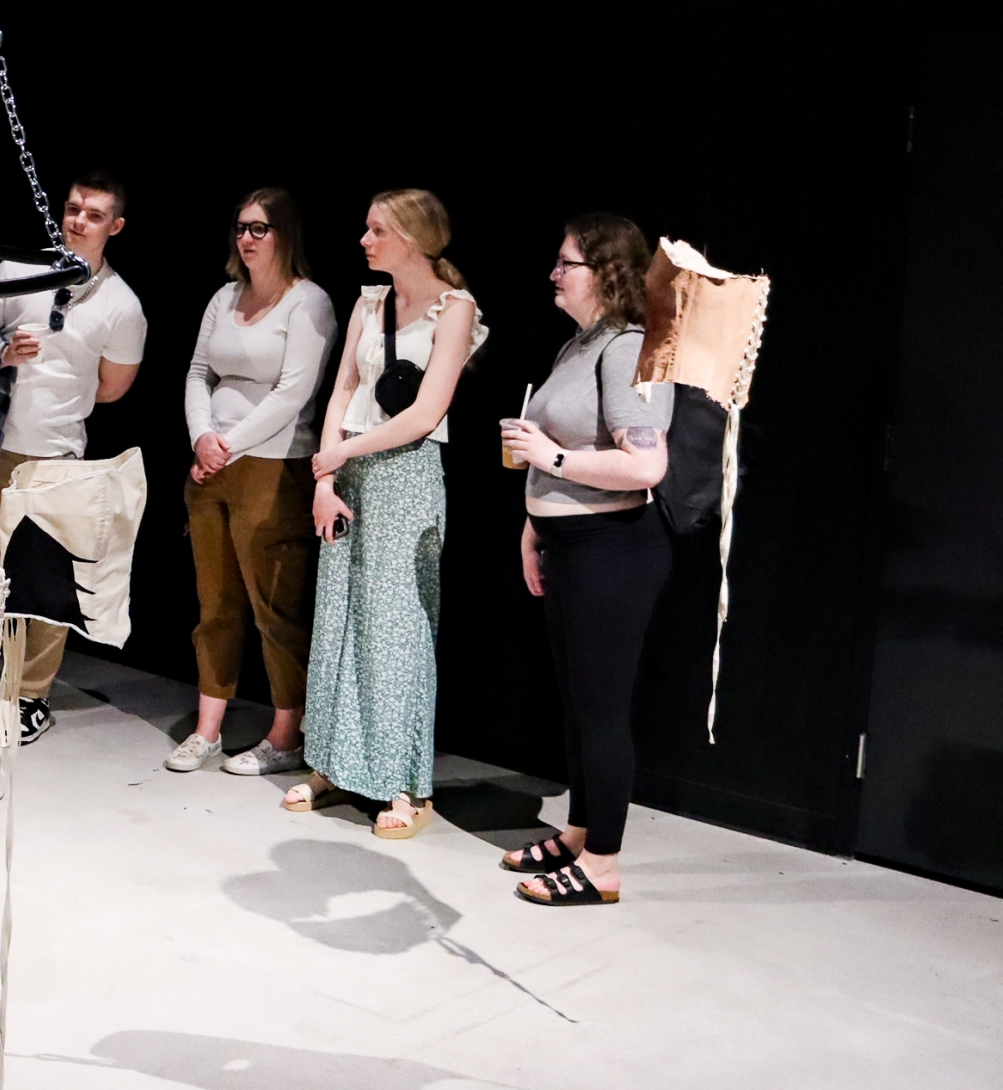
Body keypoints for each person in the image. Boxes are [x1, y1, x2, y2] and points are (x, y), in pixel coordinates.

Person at [286, 190, 485, 836]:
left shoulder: (457, 310)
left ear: (413, 238)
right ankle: (331, 761)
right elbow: (343, 386)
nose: (365, 240)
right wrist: (326, 475)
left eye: (378, 230)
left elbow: (426, 413)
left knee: (397, 628)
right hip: (349, 468)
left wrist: (336, 454)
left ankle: (403, 784)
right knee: (338, 614)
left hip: (406, 472)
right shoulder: (369, 302)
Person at [496, 214, 675, 905]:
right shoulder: (581, 344)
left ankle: (602, 864)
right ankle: (577, 831)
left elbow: (647, 462)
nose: (554, 273)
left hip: (614, 550)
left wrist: (557, 459)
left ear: (602, 272)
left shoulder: (627, 346)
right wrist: (533, 524)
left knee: (602, 709)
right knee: (575, 705)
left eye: (566, 262)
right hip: (570, 543)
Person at [0, 170, 148, 744]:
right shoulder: (19, 269)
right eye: (72, 209)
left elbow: (114, 387)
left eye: (93, 214)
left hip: (58, 455)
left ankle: (30, 696)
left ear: (114, 226)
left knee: (44, 586)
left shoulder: (121, 304)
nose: (77, 221)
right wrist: (2, 351)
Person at [167, 188, 336, 775]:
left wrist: (228, 446)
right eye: (241, 227)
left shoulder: (308, 302)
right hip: (211, 462)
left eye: (260, 229)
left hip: (273, 465)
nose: (247, 239)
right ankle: (208, 729)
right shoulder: (224, 297)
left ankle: (286, 735)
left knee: (274, 607)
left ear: (286, 236)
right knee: (215, 605)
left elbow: (295, 392)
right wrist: (202, 438)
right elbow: (197, 372)